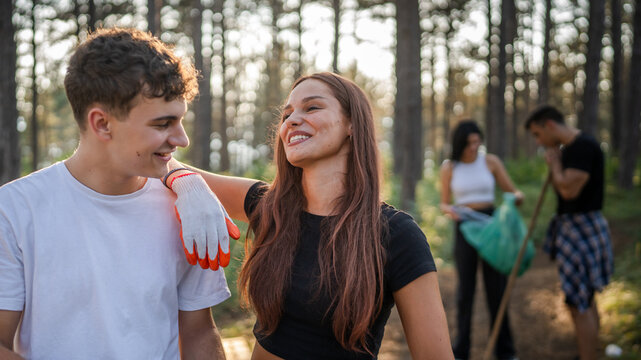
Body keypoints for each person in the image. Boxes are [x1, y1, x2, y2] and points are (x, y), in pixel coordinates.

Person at [164, 72, 454, 359]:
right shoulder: (269, 206)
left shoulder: (396, 234)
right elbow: (165, 161)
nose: (291, 120)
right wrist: (188, 186)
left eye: (312, 107)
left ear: (352, 124)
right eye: (287, 114)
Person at [0, 28, 232, 359]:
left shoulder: (192, 211)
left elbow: (198, 332)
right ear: (102, 124)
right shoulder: (13, 211)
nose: (182, 140)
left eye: (180, 120)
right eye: (163, 124)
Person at [525, 105, 613, 360]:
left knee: (579, 304)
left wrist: (554, 165)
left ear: (549, 125)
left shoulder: (582, 147)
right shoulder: (571, 150)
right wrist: (557, 161)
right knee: (583, 300)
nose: (539, 142)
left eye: (538, 134)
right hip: (575, 227)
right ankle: (588, 354)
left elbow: (568, 190)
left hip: (582, 229)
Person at [439, 120, 523, 360]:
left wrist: (517, 198)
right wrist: (450, 210)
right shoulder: (450, 167)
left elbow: (512, 191)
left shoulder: (491, 162)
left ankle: (505, 351)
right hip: (465, 226)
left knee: (496, 289)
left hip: (491, 225)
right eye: (469, 143)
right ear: (459, 144)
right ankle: (461, 351)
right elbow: (444, 202)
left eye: (477, 141)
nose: (474, 147)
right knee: (465, 291)